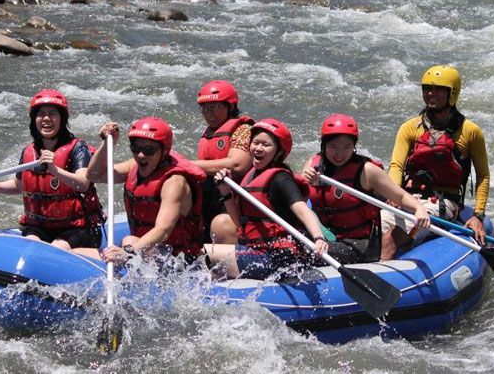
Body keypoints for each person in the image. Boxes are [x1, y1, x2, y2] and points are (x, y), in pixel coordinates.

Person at [0, 89, 105, 258]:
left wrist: (54, 169)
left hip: (77, 229)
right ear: (34, 120)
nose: (47, 119)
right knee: (31, 248)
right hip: (40, 228)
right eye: (41, 114)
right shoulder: (29, 151)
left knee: (54, 250)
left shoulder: (78, 149)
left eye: (52, 114)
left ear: (62, 119)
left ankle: (95, 255)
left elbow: (83, 183)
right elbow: (18, 186)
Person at [382, 65, 490, 260]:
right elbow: (396, 166)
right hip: (408, 198)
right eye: (426, 89)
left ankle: (376, 278)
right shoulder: (409, 128)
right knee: (374, 229)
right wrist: (394, 194)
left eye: (438, 89)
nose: (430, 93)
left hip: (442, 203)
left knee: (392, 237)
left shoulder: (470, 131)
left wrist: (478, 215)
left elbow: (483, 175)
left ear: (452, 93)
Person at [208, 118, 329, 280]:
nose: (258, 148)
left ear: (279, 152)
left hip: (279, 258)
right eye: (256, 143)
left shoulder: (281, 180)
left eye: (266, 145)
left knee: (204, 254)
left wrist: (318, 237)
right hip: (256, 250)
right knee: (211, 254)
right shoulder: (251, 176)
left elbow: (302, 209)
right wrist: (225, 191)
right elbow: (239, 223)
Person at [302, 114, 431, 264]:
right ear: (323, 146)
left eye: (347, 147)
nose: (340, 154)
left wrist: (419, 208)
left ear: (354, 147)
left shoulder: (367, 171)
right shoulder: (313, 164)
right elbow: (297, 200)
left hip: (362, 243)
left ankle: (396, 237)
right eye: (333, 147)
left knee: (310, 255)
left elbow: (400, 196)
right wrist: (305, 181)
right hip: (329, 234)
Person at [85, 117, 207, 266]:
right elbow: (94, 175)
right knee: (78, 252)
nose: (141, 155)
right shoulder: (133, 166)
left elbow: (163, 230)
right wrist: (107, 144)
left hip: (178, 260)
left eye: (149, 150)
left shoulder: (175, 183)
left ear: (164, 152)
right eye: (136, 148)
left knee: (128, 241)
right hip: (145, 250)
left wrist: (127, 253)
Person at [191, 80, 254, 245]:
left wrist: (189, 165)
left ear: (230, 106)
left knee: (220, 223)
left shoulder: (243, 130)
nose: (208, 114)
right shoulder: (209, 134)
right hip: (212, 202)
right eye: (205, 108)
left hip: (236, 209)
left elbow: (237, 165)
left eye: (214, 107)